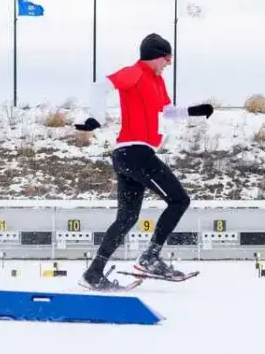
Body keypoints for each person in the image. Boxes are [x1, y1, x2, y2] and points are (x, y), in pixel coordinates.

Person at [74, 33, 214, 290]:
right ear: (155, 55)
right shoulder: (135, 73)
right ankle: (150, 256)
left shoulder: (157, 81)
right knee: (179, 200)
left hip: (127, 156)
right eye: (166, 57)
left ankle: (94, 273)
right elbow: (99, 87)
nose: (168, 63)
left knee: (126, 218)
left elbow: (167, 112)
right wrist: (97, 118)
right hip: (136, 153)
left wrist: (194, 111)